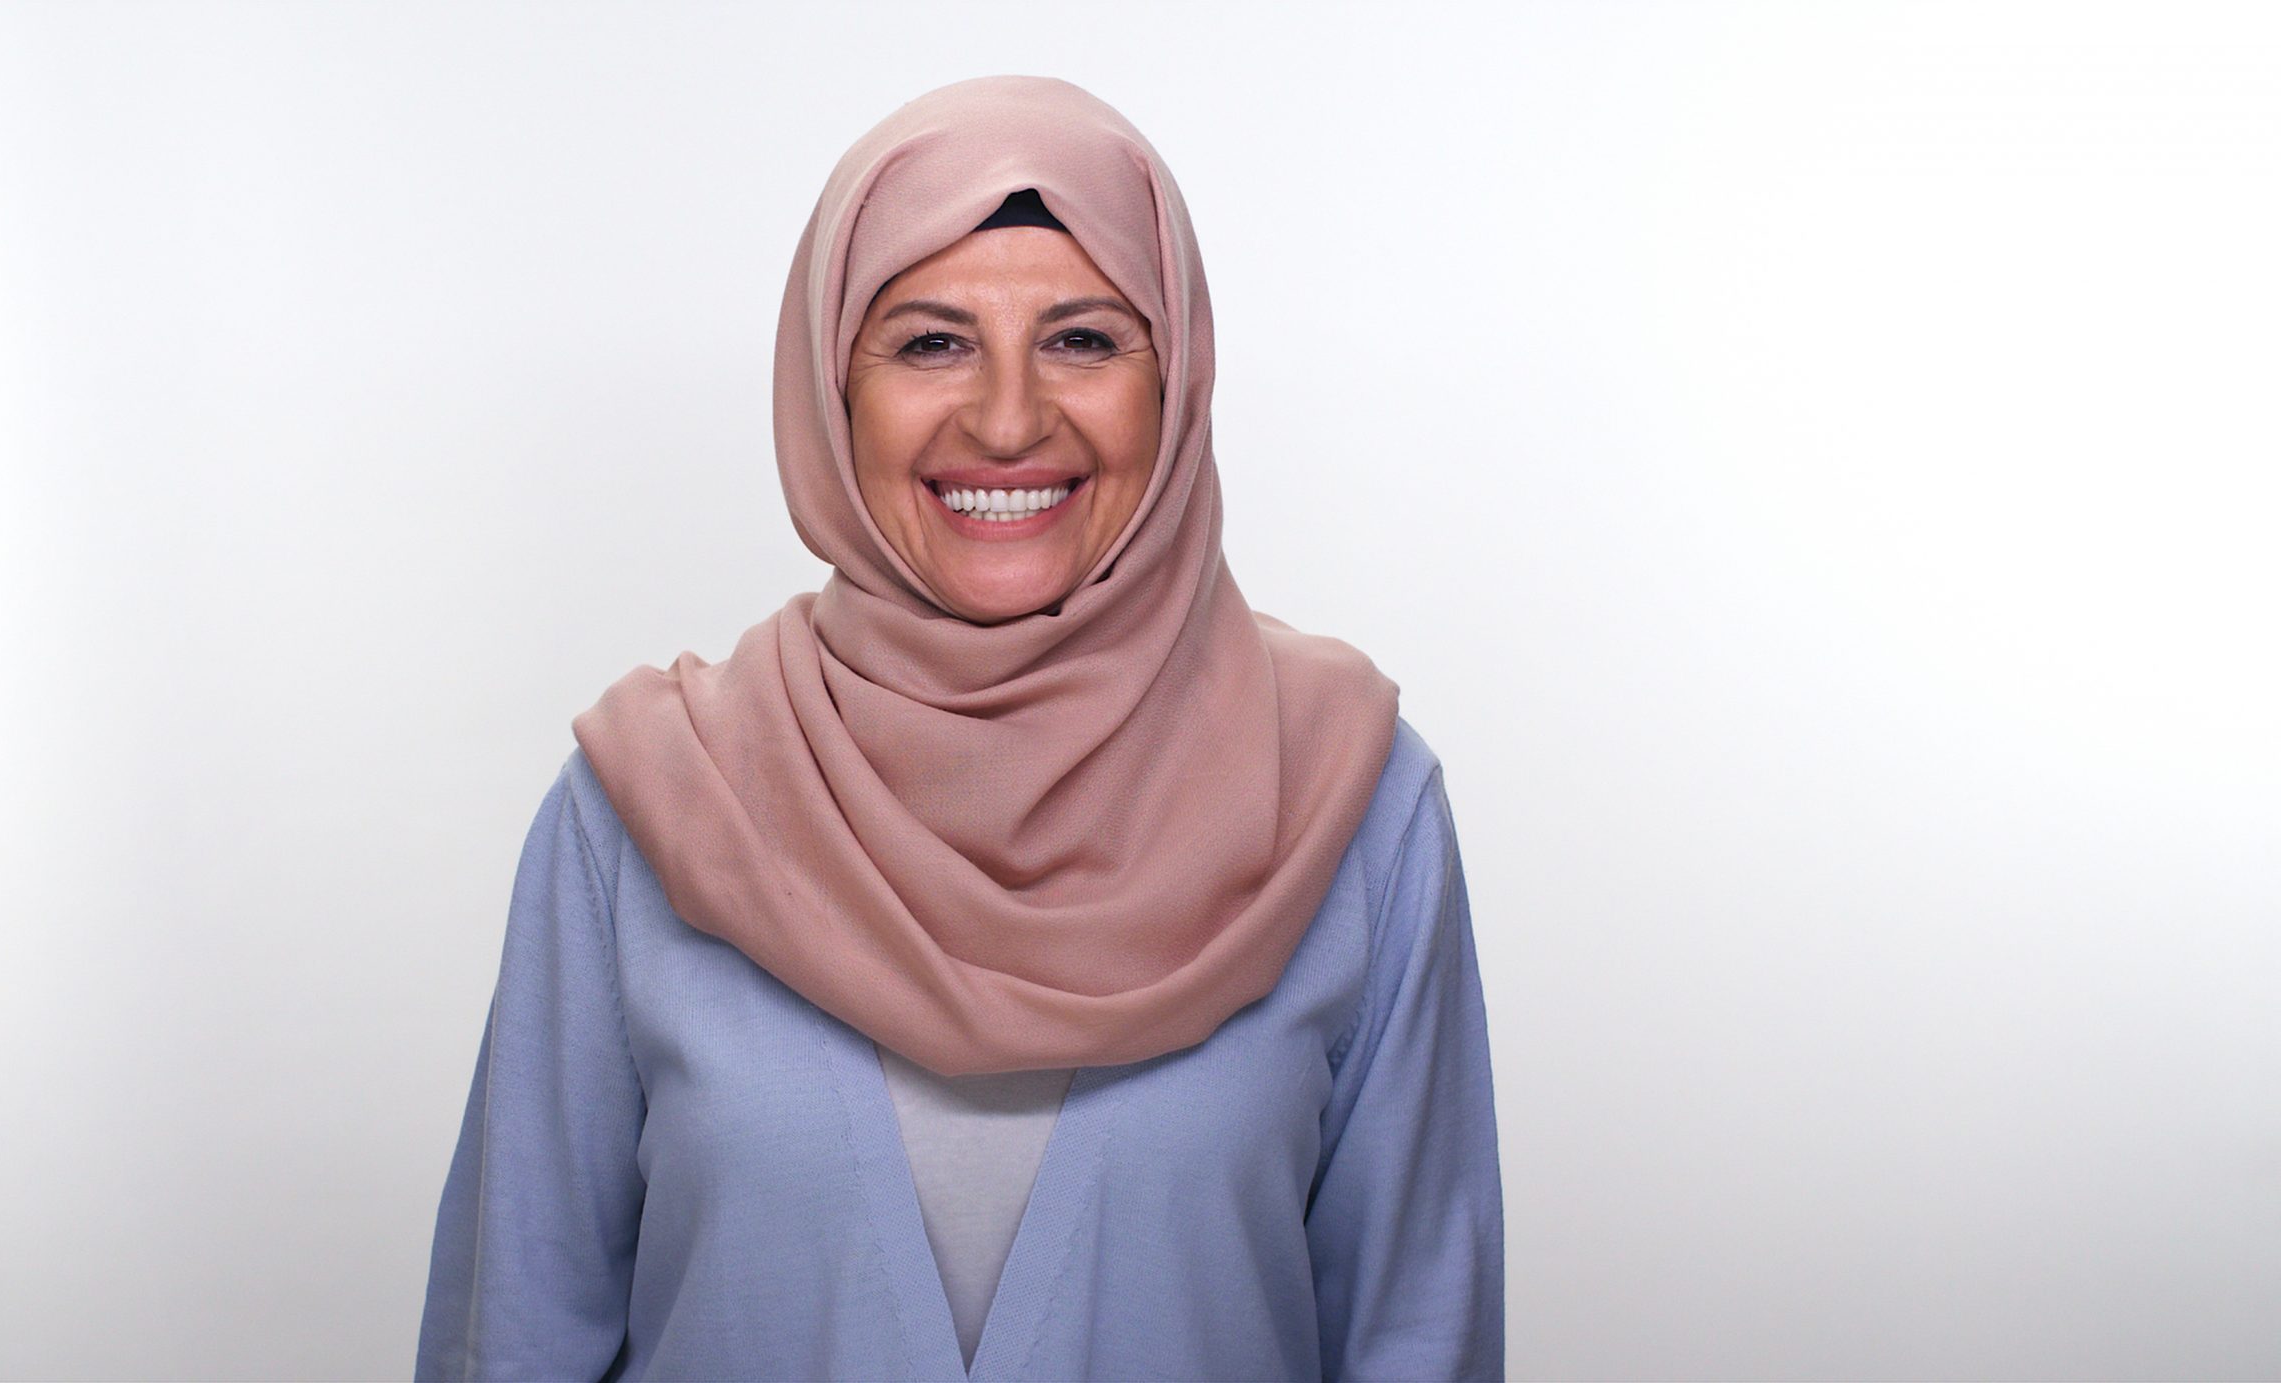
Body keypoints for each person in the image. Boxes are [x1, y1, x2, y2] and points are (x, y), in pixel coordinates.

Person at [416, 75, 1502, 1382]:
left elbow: (1418, 1342)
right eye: (932, 343)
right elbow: (513, 1344)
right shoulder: (646, 809)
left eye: (1083, 340)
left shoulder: (1347, 801)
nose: (1006, 418)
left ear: (1178, 387)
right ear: (832, 392)